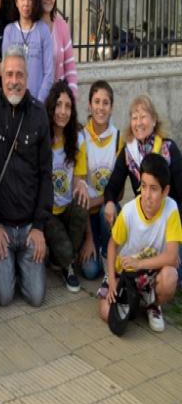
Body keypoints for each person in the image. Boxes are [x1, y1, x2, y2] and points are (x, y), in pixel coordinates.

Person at [0, 45, 52, 307]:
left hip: (30, 227)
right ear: (1, 76)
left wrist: (39, 227)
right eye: (9, 74)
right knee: (4, 298)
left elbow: (46, 174)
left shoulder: (39, 114)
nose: (14, 81)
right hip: (1, 227)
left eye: (19, 74)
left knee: (36, 298)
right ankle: (6, 266)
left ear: (27, 78)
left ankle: (21, 266)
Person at [98, 154, 181, 334]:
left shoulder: (171, 209)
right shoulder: (129, 211)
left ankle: (153, 305)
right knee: (105, 311)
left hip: (150, 271)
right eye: (143, 186)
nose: (147, 195)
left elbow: (172, 257)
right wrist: (111, 280)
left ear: (165, 191)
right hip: (125, 271)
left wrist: (139, 263)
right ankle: (133, 301)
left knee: (170, 276)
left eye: (154, 189)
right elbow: (112, 245)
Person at [104, 95, 182, 229]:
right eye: (135, 118)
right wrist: (110, 202)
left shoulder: (168, 149)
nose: (138, 123)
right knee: (106, 211)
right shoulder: (128, 152)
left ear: (154, 120)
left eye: (143, 117)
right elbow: (112, 187)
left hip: (170, 217)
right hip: (144, 220)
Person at [43, 81, 90, 292]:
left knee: (82, 203)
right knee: (63, 248)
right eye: (58, 105)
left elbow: (79, 177)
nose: (63, 112)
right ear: (51, 107)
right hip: (48, 212)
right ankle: (65, 259)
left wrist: (82, 185)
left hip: (67, 208)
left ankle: (65, 262)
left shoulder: (78, 138)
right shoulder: (42, 137)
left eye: (68, 106)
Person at [79, 80, 123, 278]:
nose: (101, 107)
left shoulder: (118, 138)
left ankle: (108, 253)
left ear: (111, 107)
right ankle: (92, 244)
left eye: (106, 103)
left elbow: (119, 193)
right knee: (90, 271)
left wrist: (95, 201)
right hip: (86, 215)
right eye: (96, 101)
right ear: (89, 105)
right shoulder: (82, 137)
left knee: (108, 208)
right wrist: (88, 239)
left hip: (107, 211)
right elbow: (81, 195)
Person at [1, 0, 53, 102]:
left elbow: (49, 73)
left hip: (37, 101)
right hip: (14, 100)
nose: (26, 3)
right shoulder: (9, 31)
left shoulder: (43, 30)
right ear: (16, 1)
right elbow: (5, 69)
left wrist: (38, 101)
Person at [36, 0, 78, 100]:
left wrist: (72, 97)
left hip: (57, 99)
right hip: (35, 97)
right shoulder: (31, 25)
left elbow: (70, 66)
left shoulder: (62, 26)